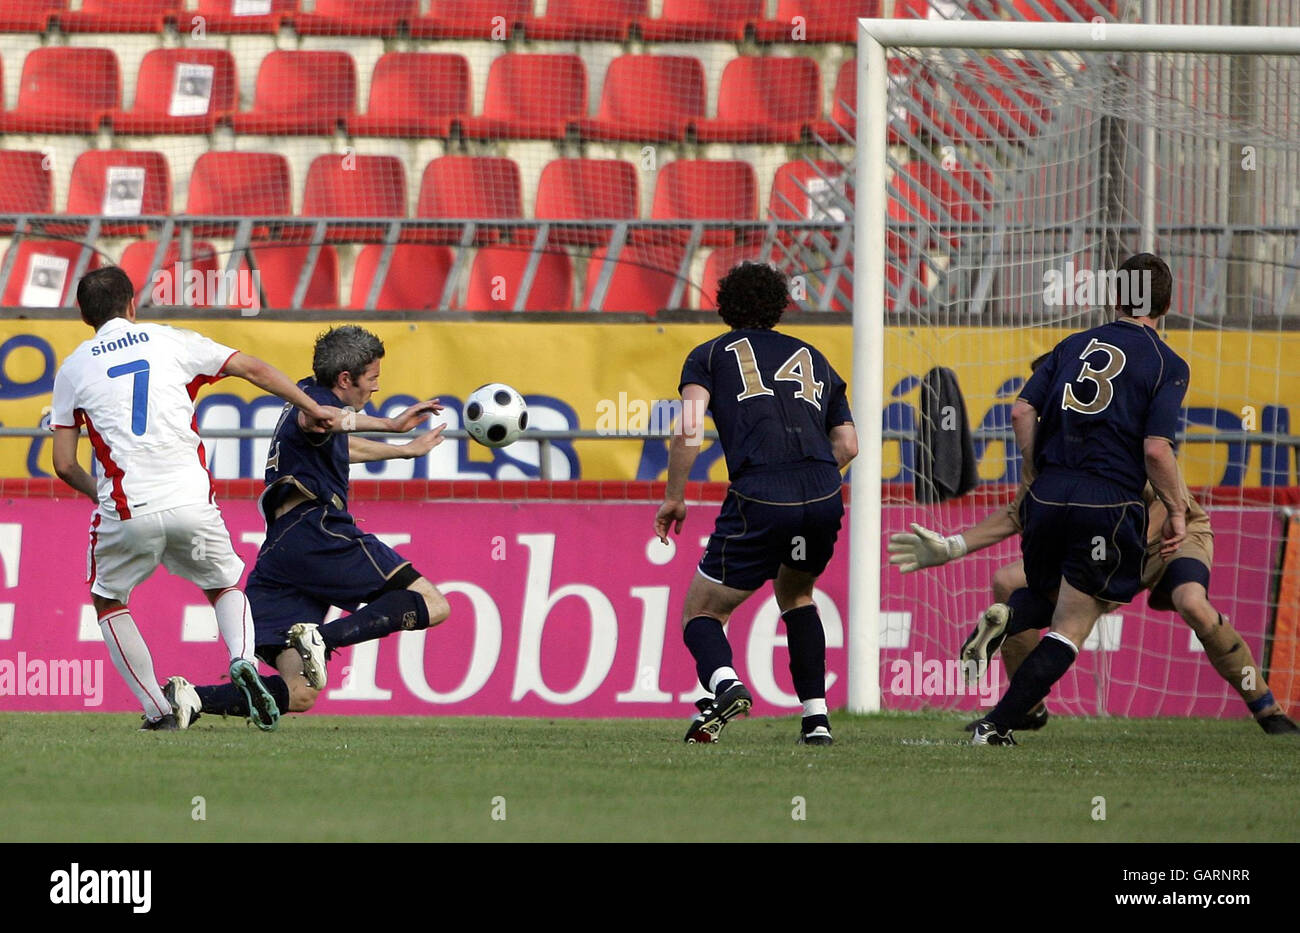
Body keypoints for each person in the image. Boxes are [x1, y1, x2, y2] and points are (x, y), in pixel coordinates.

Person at [49, 266, 338, 730]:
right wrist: (312, 406)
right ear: (132, 305)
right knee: (223, 586)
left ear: (83, 314)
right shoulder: (172, 340)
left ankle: (158, 711)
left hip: (128, 508)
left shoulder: (74, 368)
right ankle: (242, 658)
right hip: (192, 501)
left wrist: (102, 495)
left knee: (109, 600)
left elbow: (64, 464)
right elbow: (254, 368)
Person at [164, 325, 450, 728]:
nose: (375, 390)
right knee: (435, 605)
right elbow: (317, 419)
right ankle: (322, 638)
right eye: (373, 380)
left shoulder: (309, 397)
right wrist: (393, 425)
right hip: (318, 528)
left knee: (300, 692)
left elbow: (336, 438)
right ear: (346, 379)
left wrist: (404, 452)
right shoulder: (312, 404)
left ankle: (189, 698)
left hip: (283, 550)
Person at [965, 252, 1190, 745]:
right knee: (1074, 621)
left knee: (1046, 600)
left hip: (1048, 495)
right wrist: (1176, 510)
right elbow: (1155, 449)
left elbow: (1022, 411)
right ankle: (995, 724)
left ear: (1115, 297)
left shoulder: (1072, 345)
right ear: (1167, 304)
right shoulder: (1166, 363)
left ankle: (1008, 620)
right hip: (1105, 501)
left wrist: (1033, 469)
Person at [890, 480, 1300, 735]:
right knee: (1007, 582)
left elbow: (1163, 494)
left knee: (1192, 603)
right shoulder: (1056, 443)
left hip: (1173, 537)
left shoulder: (1123, 427)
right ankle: (1026, 707)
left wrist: (1116, 565)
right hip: (1106, 543)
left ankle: (1265, 707)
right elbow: (1020, 510)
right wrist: (953, 546)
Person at [654, 262, 857, 745]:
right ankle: (816, 721)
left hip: (762, 493)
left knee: (703, 613)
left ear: (725, 306)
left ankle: (724, 687)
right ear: (779, 305)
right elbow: (848, 444)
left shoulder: (709, 354)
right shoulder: (814, 357)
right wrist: (811, 481)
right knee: (797, 594)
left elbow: (688, 427)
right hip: (824, 493)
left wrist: (675, 497)